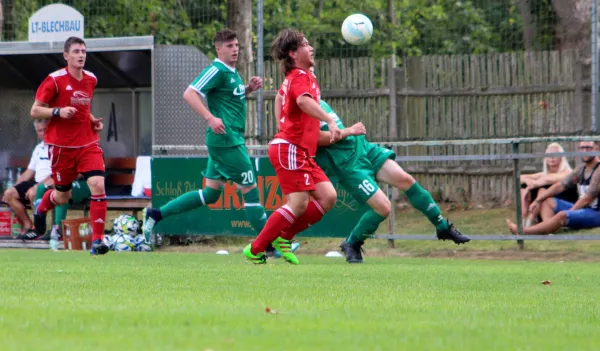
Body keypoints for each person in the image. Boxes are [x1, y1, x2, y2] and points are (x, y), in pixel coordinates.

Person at [273, 92, 470, 263]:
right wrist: (349, 130)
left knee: (406, 180)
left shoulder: (312, 94)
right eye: (305, 47)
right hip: (347, 164)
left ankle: (442, 226)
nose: (310, 73)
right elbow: (314, 139)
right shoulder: (297, 106)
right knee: (383, 208)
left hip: (362, 148)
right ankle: (352, 242)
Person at [141, 29, 268, 246]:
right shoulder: (216, 70)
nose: (235, 49)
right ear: (218, 49)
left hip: (227, 139)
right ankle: (270, 244)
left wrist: (248, 88)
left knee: (210, 194)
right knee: (251, 192)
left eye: (236, 45)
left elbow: (227, 98)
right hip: (227, 142)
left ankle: (155, 214)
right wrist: (210, 117)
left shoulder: (231, 72)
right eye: (229, 46)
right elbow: (189, 93)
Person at [242, 29, 342, 265]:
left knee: (328, 196)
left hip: (300, 150)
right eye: (305, 45)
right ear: (293, 53)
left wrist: (281, 124)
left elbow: (279, 97)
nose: (311, 48)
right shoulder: (299, 76)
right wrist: (329, 119)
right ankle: (257, 249)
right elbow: (302, 101)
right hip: (291, 149)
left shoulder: (300, 76)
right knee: (298, 204)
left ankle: (284, 236)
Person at [30, 36, 108, 255]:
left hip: (88, 143)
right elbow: (35, 111)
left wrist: (91, 120)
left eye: (83, 51)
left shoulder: (91, 78)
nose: (81, 55)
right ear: (66, 56)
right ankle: (42, 206)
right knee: (62, 196)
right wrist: (58, 111)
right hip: (62, 148)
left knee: (98, 184)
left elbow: (83, 108)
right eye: (76, 51)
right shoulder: (54, 80)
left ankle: (98, 241)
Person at [506, 141, 600, 235]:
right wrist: (538, 200)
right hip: (584, 209)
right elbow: (561, 185)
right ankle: (549, 231)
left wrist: (569, 213)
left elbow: (587, 199)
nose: (585, 151)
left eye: (588, 148)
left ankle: (523, 232)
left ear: (596, 149)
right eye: (582, 148)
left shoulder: (598, 170)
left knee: (563, 214)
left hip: (596, 213)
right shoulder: (581, 168)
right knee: (547, 200)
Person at [3, 119, 52, 238]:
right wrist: (15, 187)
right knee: (9, 193)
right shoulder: (38, 148)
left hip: (52, 183)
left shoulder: (58, 147)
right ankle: (30, 226)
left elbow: (57, 173)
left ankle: (39, 231)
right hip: (36, 182)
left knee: (33, 193)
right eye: (40, 131)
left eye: (45, 130)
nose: (43, 133)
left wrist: (36, 186)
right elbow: (29, 172)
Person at [520, 143, 575, 227]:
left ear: (561, 157)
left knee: (543, 190)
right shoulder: (544, 174)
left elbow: (549, 179)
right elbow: (520, 178)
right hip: (546, 204)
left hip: (567, 206)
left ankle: (532, 221)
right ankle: (524, 219)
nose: (552, 157)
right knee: (524, 189)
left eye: (555, 154)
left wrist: (534, 183)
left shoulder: (568, 172)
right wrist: (528, 181)